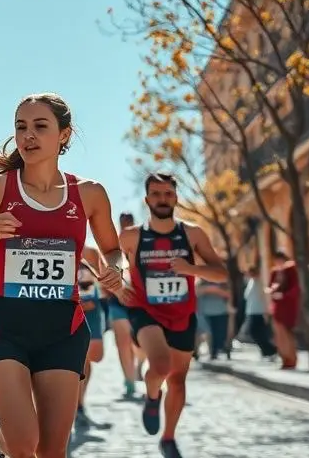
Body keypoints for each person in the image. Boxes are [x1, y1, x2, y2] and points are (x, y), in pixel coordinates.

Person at [0, 92, 127, 458]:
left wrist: (116, 268)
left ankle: (5, 430)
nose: (28, 136)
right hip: (4, 325)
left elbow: (113, 249)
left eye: (41, 126)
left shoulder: (89, 194)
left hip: (63, 329)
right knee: (24, 443)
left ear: (64, 135)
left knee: (52, 451)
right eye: (21, 127)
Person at [120, 172, 228, 458]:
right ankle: (152, 396)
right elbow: (115, 269)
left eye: (168, 194)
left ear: (176, 197)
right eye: (156, 194)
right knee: (160, 365)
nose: (162, 199)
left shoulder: (192, 234)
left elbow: (220, 272)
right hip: (145, 311)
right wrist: (119, 286)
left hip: (182, 315)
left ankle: (168, 438)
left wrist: (191, 269)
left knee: (178, 380)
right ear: (147, 200)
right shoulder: (131, 237)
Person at [106, 212, 142, 397]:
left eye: (129, 222)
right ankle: (129, 382)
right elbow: (104, 275)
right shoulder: (112, 246)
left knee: (138, 342)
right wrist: (117, 291)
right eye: (123, 223)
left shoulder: (141, 245)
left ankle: (137, 371)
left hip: (139, 301)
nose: (126, 225)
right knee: (123, 343)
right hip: (117, 301)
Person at [74, 248, 108, 430]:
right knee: (75, 359)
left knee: (92, 357)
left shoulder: (91, 252)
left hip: (92, 310)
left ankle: (79, 404)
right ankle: (75, 407)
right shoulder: (53, 245)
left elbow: (101, 279)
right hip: (67, 308)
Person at [268, 250, 300, 370]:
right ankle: (284, 357)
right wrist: (271, 291)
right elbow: (270, 285)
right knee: (278, 332)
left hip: (288, 305)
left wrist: (284, 296)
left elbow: (295, 288)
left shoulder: (291, 270)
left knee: (287, 332)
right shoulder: (274, 272)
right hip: (277, 305)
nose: (278, 262)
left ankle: (291, 358)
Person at [241, 265, 277, 359]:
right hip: (251, 311)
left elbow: (263, 297)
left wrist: (266, 310)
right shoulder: (250, 282)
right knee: (256, 332)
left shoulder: (259, 282)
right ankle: (267, 351)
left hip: (258, 311)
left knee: (256, 332)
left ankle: (270, 350)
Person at [196, 277, 231, 360]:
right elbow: (196, 292)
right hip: (204, 312)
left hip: (220, 311)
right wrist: (214, 290)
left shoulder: (223, 281)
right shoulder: (199, 282)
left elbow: (227, 294)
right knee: (207, 333)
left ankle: (220, 351)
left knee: (220, 335)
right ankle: (211, 353)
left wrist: (210, 290)